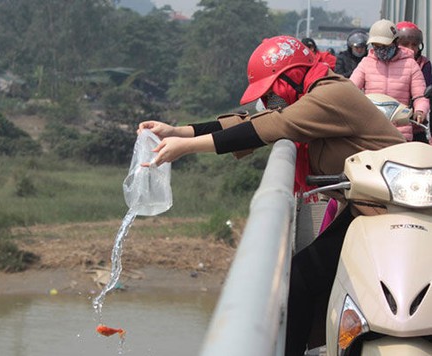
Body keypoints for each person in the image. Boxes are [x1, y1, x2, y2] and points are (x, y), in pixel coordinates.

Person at [137, 35, 405, 355]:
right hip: (370, 206)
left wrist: (188, 148)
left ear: (291, 76)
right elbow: (251, 121)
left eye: (271, 90)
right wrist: (178, 131)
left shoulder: (331, 95)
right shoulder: (313, 92)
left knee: (301, 279)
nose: (268, 100)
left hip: (393, 208)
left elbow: (271, 126)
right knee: (311, 278)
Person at [350, 19, 429, 141]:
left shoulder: (410, 64)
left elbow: (420, 96)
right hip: (370, 129)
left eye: (384, 46)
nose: (380, 49)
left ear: (395, 42)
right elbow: (351, 89)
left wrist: (420, 111)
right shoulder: (366, 63)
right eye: (376, 46)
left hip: (400, 131)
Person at [396, 21, 432, 143]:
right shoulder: (386, 63)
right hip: (390, 122)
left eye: (414, 45)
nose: (410, 49)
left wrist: (420, 110)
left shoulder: (424, 64)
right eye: (405, 44)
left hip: (415, 123)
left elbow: (424, 91)